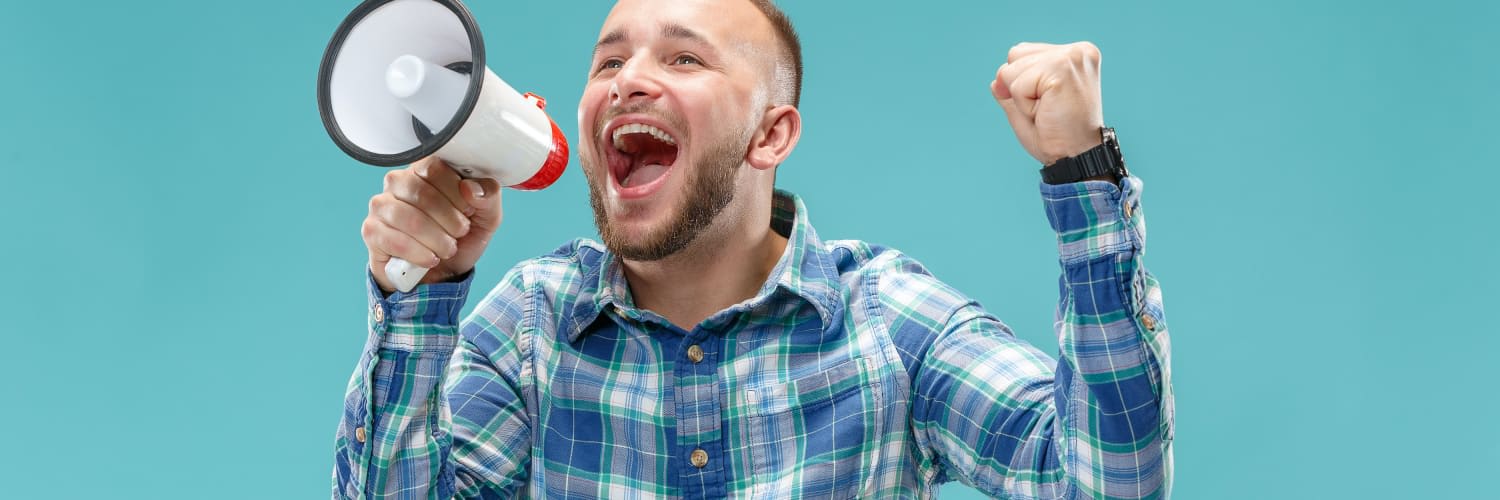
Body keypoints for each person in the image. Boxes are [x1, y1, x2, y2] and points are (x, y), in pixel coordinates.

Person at [333, 0, 1173, 498]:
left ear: (771, 134)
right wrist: (420, 302)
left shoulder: (886, 321)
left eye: (685, 56)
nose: (628, 78)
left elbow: (1102, 483)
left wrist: (1082, 177)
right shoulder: (531, 326)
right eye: (610, 60)